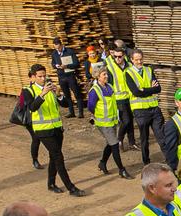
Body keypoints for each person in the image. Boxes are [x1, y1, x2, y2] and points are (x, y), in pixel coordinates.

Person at [21, 65, 86, 197]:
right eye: (40, 76)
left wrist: (59, 94)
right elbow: (32, 107)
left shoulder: (50, 88)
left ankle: (51, 184)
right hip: (43, 130)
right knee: (58, 157)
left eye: (44, 75)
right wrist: (43, 94)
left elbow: (64, 105)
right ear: (33, 77)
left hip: (56, 128)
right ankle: (71, 187)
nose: (43, 78)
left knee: (53, 157)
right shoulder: (28, 90)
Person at [86, 64, 129, 178]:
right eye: (104, 74)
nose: (106, 76)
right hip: (103, 123)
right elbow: (90, 106)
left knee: (110, 144)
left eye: (106, 74)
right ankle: (122, 169)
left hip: (112, 121)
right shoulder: (94, 91)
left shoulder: (109, 86)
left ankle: (102, 163)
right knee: (115, 144)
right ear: (97, 76)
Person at [125, 50, 165, 164]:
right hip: (140, 111)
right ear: (131, 60)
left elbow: (158, 89)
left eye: (141, 59)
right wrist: (150, 90)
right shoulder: (128, 73)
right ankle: (146, 162)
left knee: (161, 136)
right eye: (136, 59)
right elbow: (136, 92)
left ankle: (171, 160)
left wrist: (144, 90)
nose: (139, 61)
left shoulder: (148, 70)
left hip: (154, 108)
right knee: (144, 138)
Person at [106, 47, 137, 150]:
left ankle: (132, 142)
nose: (117, 59)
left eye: (119, 56)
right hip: (118, 99)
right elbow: (108, 84)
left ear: (124, 56)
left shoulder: (129, 66)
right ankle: (119, 139)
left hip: (130, 97)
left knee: (131, 121)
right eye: (115, 57)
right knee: (126, 121)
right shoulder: (110, 67)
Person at [49, 39, 82, 119]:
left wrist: (67, 66)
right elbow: (52, 64)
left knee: (76, 93)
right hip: (61, 76)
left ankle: (80, 113)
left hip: (70, 75)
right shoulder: (54, 53)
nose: (58, 50)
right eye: (56, 48)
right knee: (67, 95)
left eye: (59, 48)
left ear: (61, 45)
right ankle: (71, 112)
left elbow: (76, 63)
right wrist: (56, 66)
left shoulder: (69, 51)